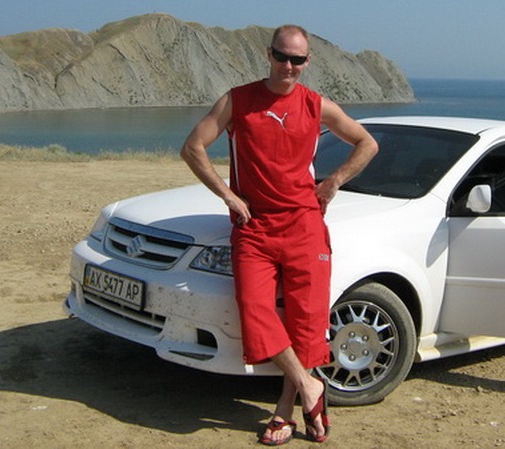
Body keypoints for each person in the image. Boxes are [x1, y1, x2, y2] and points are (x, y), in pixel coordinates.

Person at [180, 24, 378, 445]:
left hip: (305, 225)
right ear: (268, 54)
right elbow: (193, 147)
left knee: (305, 324)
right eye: (282, 56)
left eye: (297, 59)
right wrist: (228, 195)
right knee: (255, 310)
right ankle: (311, 386)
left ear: (308, 61)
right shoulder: (237, 101)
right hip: (254, 227)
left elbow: (367, 143)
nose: (288, 66)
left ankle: (285, 411)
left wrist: (334, 182)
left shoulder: (317, 105)